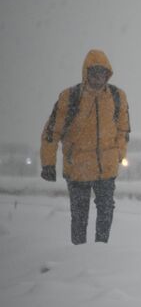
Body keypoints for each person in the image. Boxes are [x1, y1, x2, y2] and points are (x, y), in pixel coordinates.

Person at [40, 49, 130, 245]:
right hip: (78, 169)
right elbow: (51, 133)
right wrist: (48, 163)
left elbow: (123, 130)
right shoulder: (70, 97)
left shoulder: (117, 97)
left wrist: (119, 154)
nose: (98, 77)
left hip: (106, 169)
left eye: (102, 72)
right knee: (79, 216)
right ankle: (78, 255)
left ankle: (100, 251)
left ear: (108, 74)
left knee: (106, 211)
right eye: (94, 72)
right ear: (86, 73)